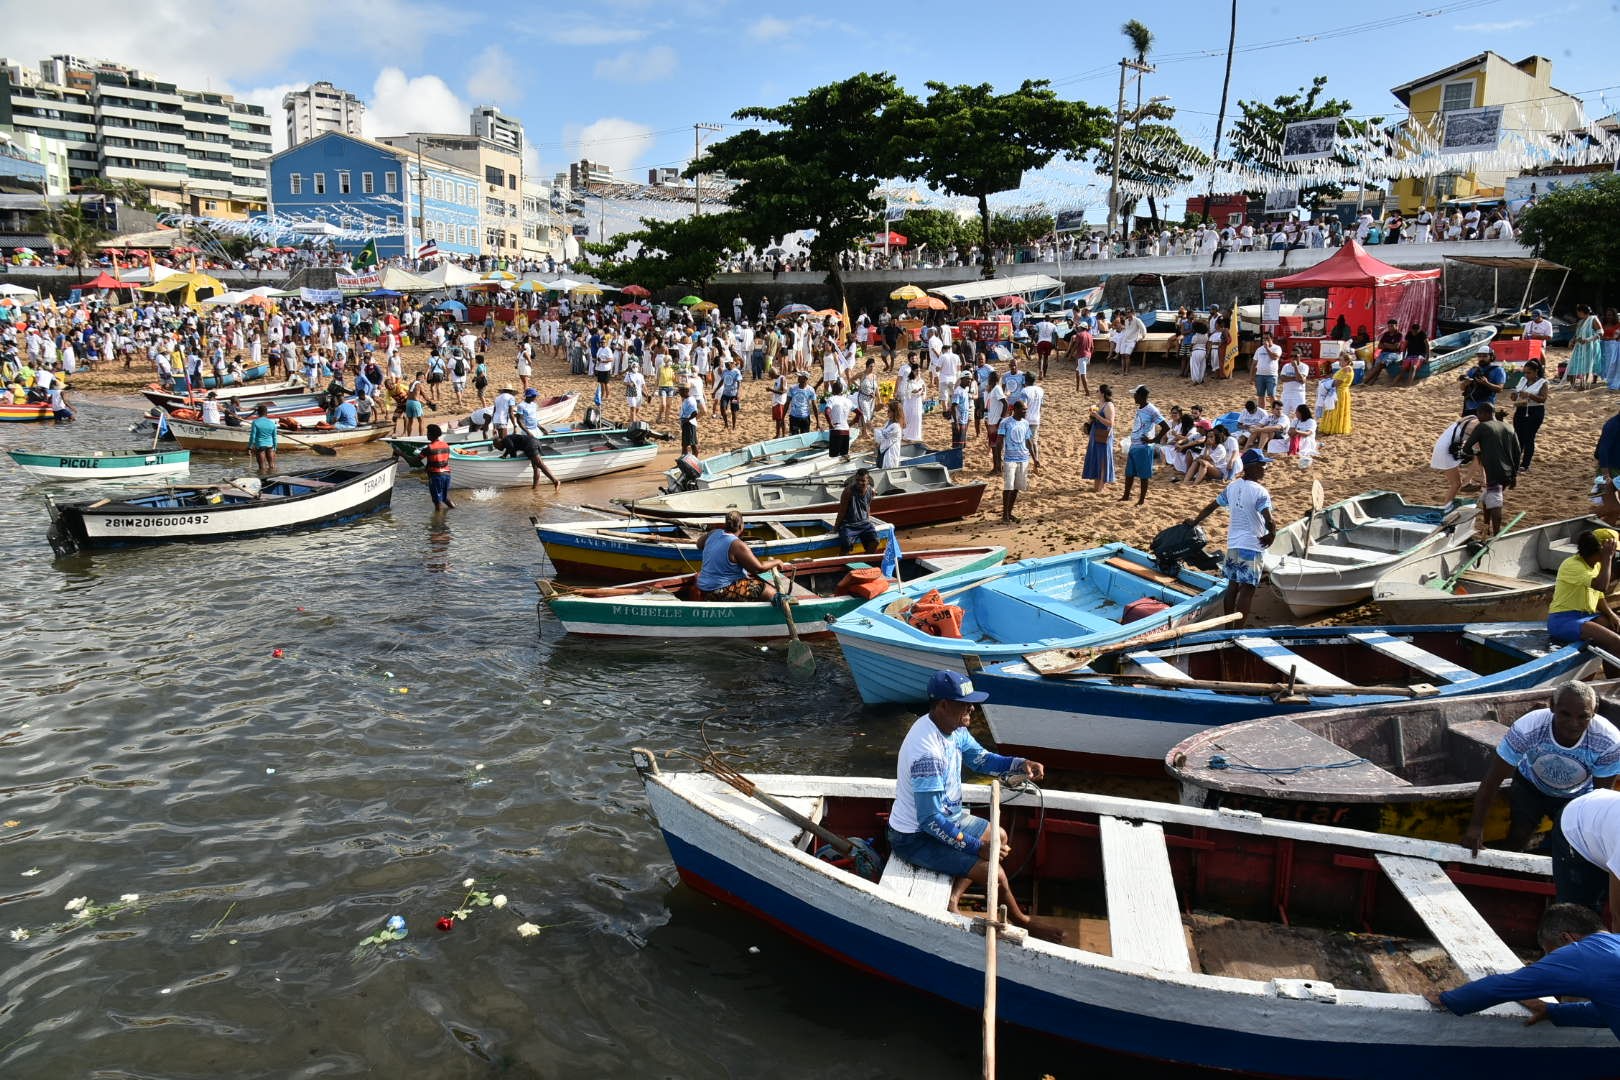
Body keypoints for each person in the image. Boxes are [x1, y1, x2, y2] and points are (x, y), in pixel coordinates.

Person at [886, 669, 1046, 920]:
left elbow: (981, 760)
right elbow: (929, 820)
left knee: (999, 837)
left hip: (947, 819)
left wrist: (1019, 763)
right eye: (966, 705)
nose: (972, 710)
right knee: (994, 872)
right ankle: (1023, 921)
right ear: (943, 705)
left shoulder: (954, 728)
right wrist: (976, 847)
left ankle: (954, 898)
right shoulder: (927, 753)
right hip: (915, 837)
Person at [1460, 683, 1620, 859]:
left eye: (1583, 717)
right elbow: (1492, 781)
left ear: (1594, 711)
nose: (1573, 724)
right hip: (1530, 785)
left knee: (1568, 847)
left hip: (1578, 795)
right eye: (1565, 714)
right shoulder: (1529, 727)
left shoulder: (1608, 741)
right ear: (1552, 706)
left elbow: (1599, 799)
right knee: (1519, 835)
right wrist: (1476, 827)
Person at [1425, 903, 1620, 1037]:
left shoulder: (1581, 954)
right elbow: (1608, 1012)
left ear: (1567, 938)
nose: (1550, 961)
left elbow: (1503, 986)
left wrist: (1448, 999)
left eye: (1550, 953)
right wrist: (1554, 1011)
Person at [1187, 449, 1278, 624]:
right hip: (1252, 544)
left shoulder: (1233, 486)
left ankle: (1228, 625)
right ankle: (1239, 628)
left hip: (1234, 543)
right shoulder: (1260, 491)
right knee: (1248, 588)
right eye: (1262, 465)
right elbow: (1269, 520)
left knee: (1233, 585)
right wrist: (1272, 535)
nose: (1265, 469)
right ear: (1252, 467)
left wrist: (1195, 521)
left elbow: (1211, 507)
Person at [1549, 529, 1620, 662]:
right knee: (1615, 641)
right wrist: (1607, 559)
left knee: (1617, 629)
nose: (1614, 553)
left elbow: (1598, 595)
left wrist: (1611, 614)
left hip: (1588, 616)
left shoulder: (1596, 565)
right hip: (1564, 619)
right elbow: (1601, 586)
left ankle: (1613, 676)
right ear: (1601, 549)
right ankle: (1613, 679)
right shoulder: (1572, 565)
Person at [1460, 402, 1521, 534]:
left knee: (1495, 501)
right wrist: (1514, 475)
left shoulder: (1483, 427)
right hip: (1509, 471)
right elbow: (1517, 453)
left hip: (1493, 470)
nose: (1478, 417)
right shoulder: (1509, 427)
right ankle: (1486, 527)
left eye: (1478, 414)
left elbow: (1466, 448)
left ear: (1484, 413)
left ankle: (1496, 533)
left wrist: (1478, 454)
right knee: (1488, 497)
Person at [696, 511, 784, 601]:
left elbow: (699, 544)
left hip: (704, 585)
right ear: (741, 526)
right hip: (719, 590)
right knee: (770, 592)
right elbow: (758, 568)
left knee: (748, 580)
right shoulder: (737, 545)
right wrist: (777, 561)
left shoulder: (713, 533)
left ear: (725, 524)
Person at [1120, 384, 1167, 507]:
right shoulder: (1141, 407)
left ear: (1141, 396)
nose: (1133, 396)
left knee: (1143, 475)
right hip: (1135, 445)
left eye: (1135, 394)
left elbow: (1165, 427)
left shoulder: (1152, 410)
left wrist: (1153, 440)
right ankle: (1126, 496)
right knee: (1129, 473)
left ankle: (1141, 500)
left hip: (1144, 447)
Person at [998, 400, 1038, 524]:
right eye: (1023, 409)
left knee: (1016, 488)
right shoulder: (1005, 422)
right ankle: (1004, 514)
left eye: (1026, 409)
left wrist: (1035, 458)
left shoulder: (1026, 423)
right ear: (1016, 409)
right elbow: (999, 441)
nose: (1025, 412)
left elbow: (1029, 441)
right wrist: (998, 459)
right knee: (1008, 487)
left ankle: (1009, 513)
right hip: (1009, 459)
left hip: (1023, 458)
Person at [492, 431, 562, 493]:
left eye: (496, 446)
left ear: (499, 442)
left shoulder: (506, 441)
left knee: (539, 464)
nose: (496, 448)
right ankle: (535, 488)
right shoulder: (506, 440)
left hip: (530, 445)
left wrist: (510, 460)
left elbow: (512, 453)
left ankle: (555, 481)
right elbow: (509, 447)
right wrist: (504, 455)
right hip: (534, 441)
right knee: (536, 467)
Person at [1512, 358, 1549, 471]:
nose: (1526, 375)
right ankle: (1516, 462)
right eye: (1525, 372)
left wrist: (1529, 395)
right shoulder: (1523, 380)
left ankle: (1525, 464)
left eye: (1529, 372)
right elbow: (1516, 393)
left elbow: (1543, 399)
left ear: (1536, 371)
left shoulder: (1542, 382)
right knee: (1518, 437)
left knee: (1529, 437)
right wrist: (1514, 396)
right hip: (1521, 409)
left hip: (1534, 411)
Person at [834, 469, 880, 554]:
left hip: (864, 523)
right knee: (846, 545)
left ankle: (866, 560)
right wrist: (835, 528)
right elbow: (842, 511)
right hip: (849, 524)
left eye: (862, 481)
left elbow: (867, 506)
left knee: (875, 541)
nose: (859, 483)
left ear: (868, 480)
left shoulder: (871, 491)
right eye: (857, 480)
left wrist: (868, 519)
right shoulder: (848, 492)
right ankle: (842, 562)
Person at [1082, 384, 1116, 493]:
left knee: (1103, 460)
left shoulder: (1109, 405)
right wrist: (1090, 419)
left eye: (1097, 391)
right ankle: (1096, 486)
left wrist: (1096, 416)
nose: (1096, 392)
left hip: (1103, 436)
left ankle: (1101, 487)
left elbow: (1110, 423)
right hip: (1095, 435)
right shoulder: (1098, 404)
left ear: (1102, 393)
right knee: (1096, 459)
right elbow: (1095, 419)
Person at [1459, 345, 1506, 415]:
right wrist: (1465, 383)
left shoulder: (1498, 370)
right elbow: (1462, 388)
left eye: (1484, 356)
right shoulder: (1473, 370)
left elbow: (1500, 389)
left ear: (1491, 357)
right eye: (1479, 356)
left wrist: (1486, 383)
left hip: (1486, 408)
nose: (1481, 358)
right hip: (1469, 407)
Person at [422, 423, 455, 511]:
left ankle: (438, 522)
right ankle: (454, 509)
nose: (427, 435)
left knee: (437, 501)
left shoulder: (429, 448)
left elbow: (414, 460)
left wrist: (400, 453)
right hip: (447, 474)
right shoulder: (446, 445)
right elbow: (440, 460)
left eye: (428, 433)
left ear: (432, 435)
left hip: (436, 476)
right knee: (444, 497)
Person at [1318, 354, 1354, 435]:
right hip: (1340, 391)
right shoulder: (1345, 369)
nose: (1339, 362)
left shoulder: (1346, 369)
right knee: (1334, 409)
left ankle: (1333, 428)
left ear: (1347, 361)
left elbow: (1338, 382)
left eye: (1341, 360)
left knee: (1335, 410)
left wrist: (1327, 384)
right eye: (1339, 360)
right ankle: (1332, 427)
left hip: (1339, 392)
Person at [1362, 320, 1404, 386]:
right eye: (1389, 326)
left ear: (1396, 326)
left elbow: (1395, 347)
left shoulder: (1399, 335)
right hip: (1384, 353)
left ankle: (1365, 382)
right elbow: (1379, 346)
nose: (1390, 328)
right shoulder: (1386, 334)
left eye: (1392, 326)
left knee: (1380, 365)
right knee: (1377, 366)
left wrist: (1386, 344)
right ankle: (1369, 383)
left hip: (1395, 354)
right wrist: (1389, 345)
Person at [1573, 304, 1604, 392]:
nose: (1577, 313)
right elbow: (1577, 334)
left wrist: (1588, 339)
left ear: (1582, 312)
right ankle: (1579, 383)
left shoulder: (1593, 319)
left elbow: (1600, 332)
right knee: (1580, 363)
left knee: (1587, 364)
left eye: (1578, 311)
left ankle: (1584, 384)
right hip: (1580, 346)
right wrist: (1573, 340)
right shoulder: (1580, 322)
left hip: (1590, 346)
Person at [822, 380, 854, 457]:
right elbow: (859, 413)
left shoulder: (832, 399)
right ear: (841, 390)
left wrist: (830, 424)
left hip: (836, 430)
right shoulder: (848, 401)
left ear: (832, 390)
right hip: (846, 430)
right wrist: (851, 423)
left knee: (834, 456)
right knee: (844, 456)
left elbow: (827, 412)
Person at [1252, 332, 1281, 407]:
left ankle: (1276, 412)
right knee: (1261, 396)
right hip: (1260, 375)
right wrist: (1252, 377)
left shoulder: (1277, 348)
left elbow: (1274, 357)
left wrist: (1267, 348)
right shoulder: (1259, 349)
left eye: (1267, 338)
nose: (1265, 340)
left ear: (1272, 338)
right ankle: (1263, 415)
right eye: (1264, 338)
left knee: (1272, 395)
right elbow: (1254, 363)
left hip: (1271, 375)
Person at [247, 402, 278, 474]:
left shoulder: (255, 422)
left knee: (262, 467)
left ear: (258, 413)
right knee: (272, 466)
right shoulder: (272, 423)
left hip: (260, 446)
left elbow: (253, 436)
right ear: (266, 413)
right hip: (270, 446)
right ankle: (273, 479)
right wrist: (275, 448)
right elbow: (274, 437)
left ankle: (263, 481)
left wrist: (249, 447)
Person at [873, 400, 904, 470]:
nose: (887, 413)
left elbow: (881, 436)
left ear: (894, 412)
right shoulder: (889, 422)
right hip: (884, 450)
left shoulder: (896, 426)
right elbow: (881, 433)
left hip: (890, 453)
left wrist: (873, 429)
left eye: (889, 411)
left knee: (888, 468)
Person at [1069, 318, 1094, 394]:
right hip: (1087, 355)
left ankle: (1087, 392)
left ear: (1081, 327)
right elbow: (1092, 347)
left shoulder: (1079, 335)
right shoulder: (1090, 335)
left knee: (1083, 374)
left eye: (1079, 327)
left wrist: (1071, 354)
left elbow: (1076, 345)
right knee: (1077, 371)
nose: (1078, 328)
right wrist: (1090, 355)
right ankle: (1077, 388)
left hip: (1081, 355)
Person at [678, 385, 701, 456]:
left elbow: (695, 413)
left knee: (692, 443)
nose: (679, 393)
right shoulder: (686, 399)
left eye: (681, 392)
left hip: (689, 424)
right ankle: (683, 460)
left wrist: (687, 420)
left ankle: (694, 459)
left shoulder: (690, 400)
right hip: (686, 423)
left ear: (686, 391)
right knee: (685, 444)